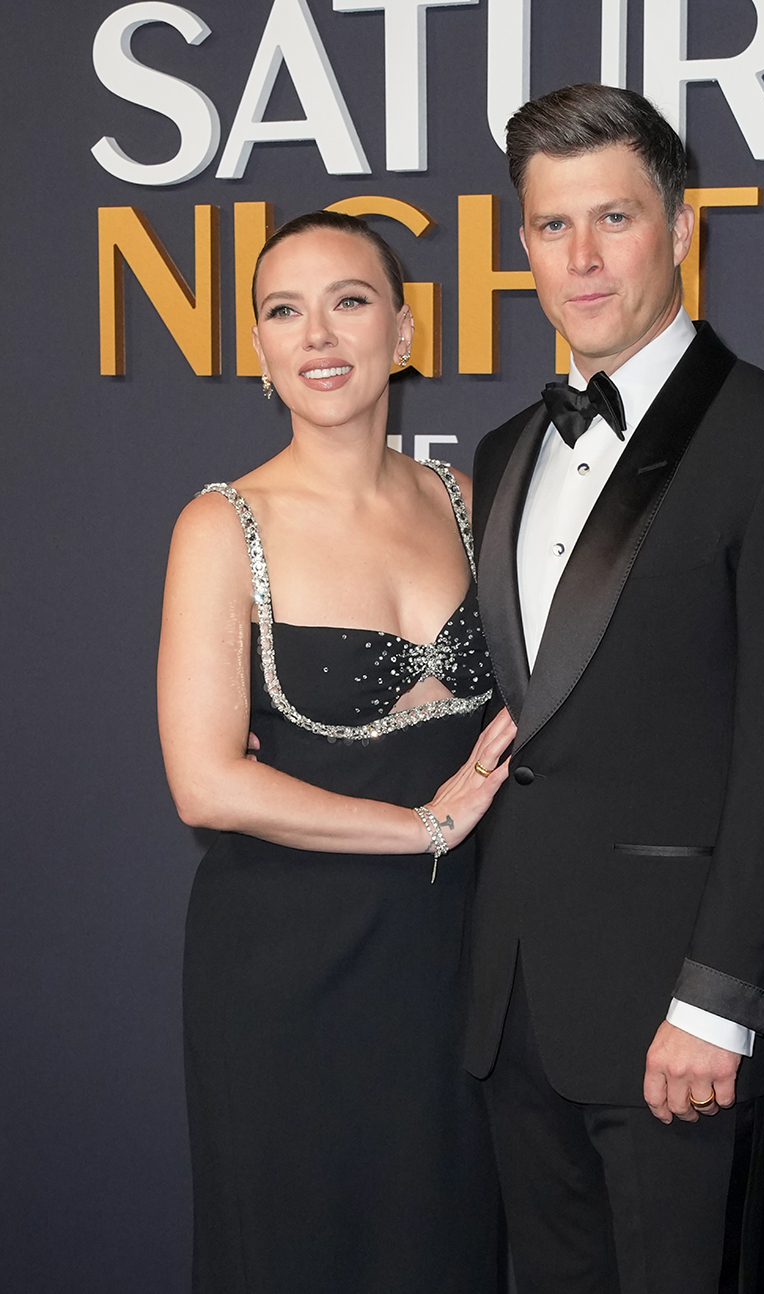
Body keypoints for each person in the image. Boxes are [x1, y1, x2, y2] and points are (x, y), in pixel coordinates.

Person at [465, 84, 764, 1293]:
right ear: (523, 243)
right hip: (514, 1007)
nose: (582, 259)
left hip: (673, 1019)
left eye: (616, 219)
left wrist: (720, 1000)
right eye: (551, 226)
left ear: (681, 226)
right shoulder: (501, 452)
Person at [157, 209, 513, 1294]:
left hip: (451, 963)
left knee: (440, 1249)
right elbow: (205, 783)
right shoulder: (223, 525)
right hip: (285, 971)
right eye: (283, 310)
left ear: (403, 332)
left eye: (349, 301)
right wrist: (425, 825)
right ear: (259, 352)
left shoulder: (464, 502)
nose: (317, 333)